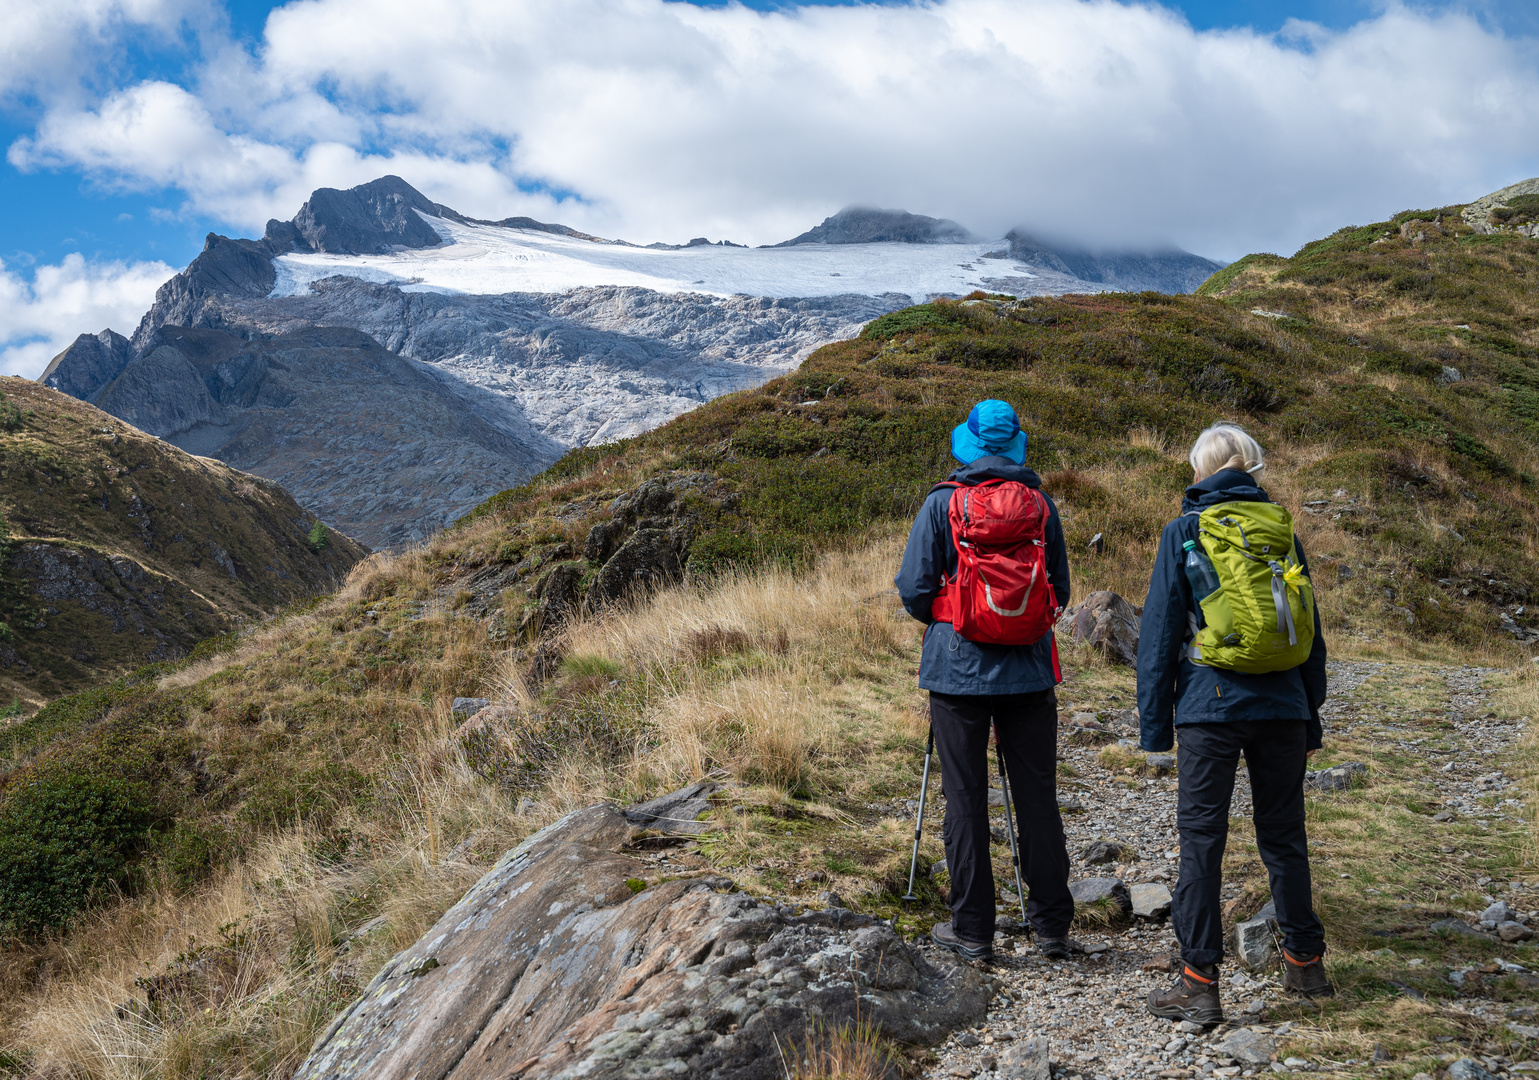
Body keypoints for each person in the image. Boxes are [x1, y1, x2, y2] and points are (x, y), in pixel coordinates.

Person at [1137, 423, 1332, 1025]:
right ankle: (1305, 964)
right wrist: (1311, 719)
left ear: (1201, 469)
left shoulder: (1185, 531)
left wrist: (1154, 728)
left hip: (1209, 707)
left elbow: (1160, 634)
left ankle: (1199, 983)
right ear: (1250, 468)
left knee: (1201, 843)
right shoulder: (1280, 530)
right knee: (1283, 837)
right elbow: (1310, 634)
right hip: (1283, 709)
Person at [895, 399, 1074, 962]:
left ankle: (972, 930)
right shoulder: (1041, 507)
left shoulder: (941, 503)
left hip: (957, 672)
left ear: (968, 445)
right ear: (1016, 444)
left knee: (965, 798)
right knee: (1037, 797)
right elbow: (1060, 592)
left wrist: (953, 620)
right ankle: (1051, 925)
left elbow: (912, 589)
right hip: (1028, 673)